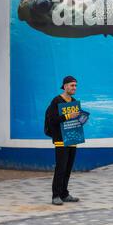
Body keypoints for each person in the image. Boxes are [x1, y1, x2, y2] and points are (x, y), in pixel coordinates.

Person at [50, 75, 80, 206]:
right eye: (72, 85)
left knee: (68, 168)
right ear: (65, 86)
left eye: (75, 85)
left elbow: (74, 120)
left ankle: (64, 194)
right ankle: (55, 195)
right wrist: (68, 115)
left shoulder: (73, 101)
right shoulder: (57, 101)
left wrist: (81, 120)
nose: (74, 88)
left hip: (72, 139)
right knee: (60, 168)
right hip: (61, 140)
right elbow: (53, 120)